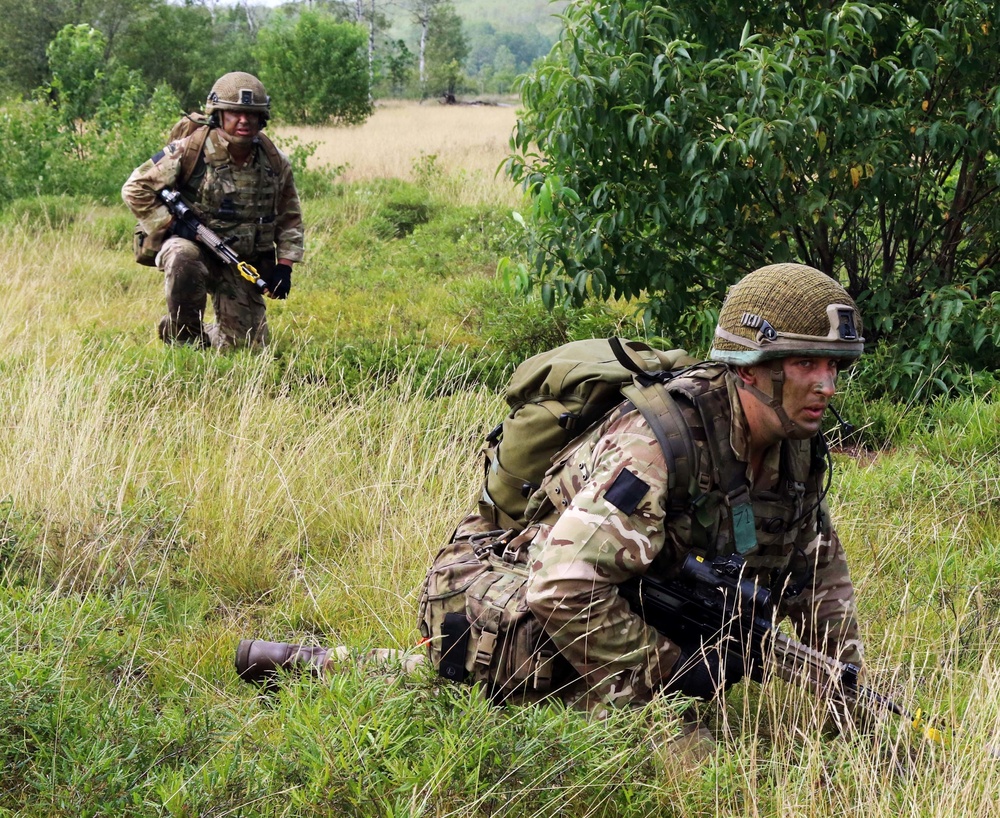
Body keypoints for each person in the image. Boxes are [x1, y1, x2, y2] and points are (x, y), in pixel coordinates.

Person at [236, 263, 865, 726]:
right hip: (502, 578)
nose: (826, 384)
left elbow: (818, 575)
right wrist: (667, 677)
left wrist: (849, 687)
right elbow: (561, 585)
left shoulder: (794, 449)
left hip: (621, 586)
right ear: (751, 365)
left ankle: (320, 663)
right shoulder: (657, 444)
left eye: (835, 366)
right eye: (807, 363)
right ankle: (332, 668)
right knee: (670, 746)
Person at [122, 72, 304, 348]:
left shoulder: (274, 161)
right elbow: (135, 187)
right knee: (183, 257)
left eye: (250, 114)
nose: (243, 120)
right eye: (234, 113)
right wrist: (170, 224)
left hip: (239, 261)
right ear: (219, 115)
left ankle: (202, 330)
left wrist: (285, 267)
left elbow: (289, 217)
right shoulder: (188, 150)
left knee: (248, 347)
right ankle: (184, 339)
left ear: (261, 118)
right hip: (192, 248)